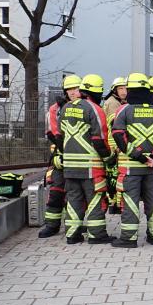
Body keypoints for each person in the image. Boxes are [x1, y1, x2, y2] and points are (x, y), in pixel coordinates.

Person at [111, 72, 153, 248]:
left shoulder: (124, 110)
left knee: (130, 202)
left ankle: (129, 238)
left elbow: (118, 135)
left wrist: (138, 155)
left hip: (131, 168)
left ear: (131, 90)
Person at [59, 74, 114, 244]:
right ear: (97, 92)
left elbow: (60, 135)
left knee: (74, 200)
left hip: (70, 166)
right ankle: (97, 235)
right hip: (91, 167)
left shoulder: (66, 108)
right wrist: (109, 157)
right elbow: (99, 139)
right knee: (95, 199)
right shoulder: (94, 109)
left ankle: (72, 235)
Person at [37, 80, 71, 238]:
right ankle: (52, 225)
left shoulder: (86, 107)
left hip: (80, 158)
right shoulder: (55, 109)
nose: (73, 92)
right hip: (60, 158)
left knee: (76, 196)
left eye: (76, 89)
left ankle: (74, 226)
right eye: (70, 89)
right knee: (56, 192)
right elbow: (52, 131)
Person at [102, 77, 127, 215]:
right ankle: (115, 204)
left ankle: (114, 203)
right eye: (121, 88)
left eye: (125, 88)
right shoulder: (113, 104)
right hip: (114, 145)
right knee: (115, 175)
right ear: (114, 90)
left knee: (114, 175)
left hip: (113, 144)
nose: (124, 91)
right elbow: (115, 127)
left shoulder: (117, 102)